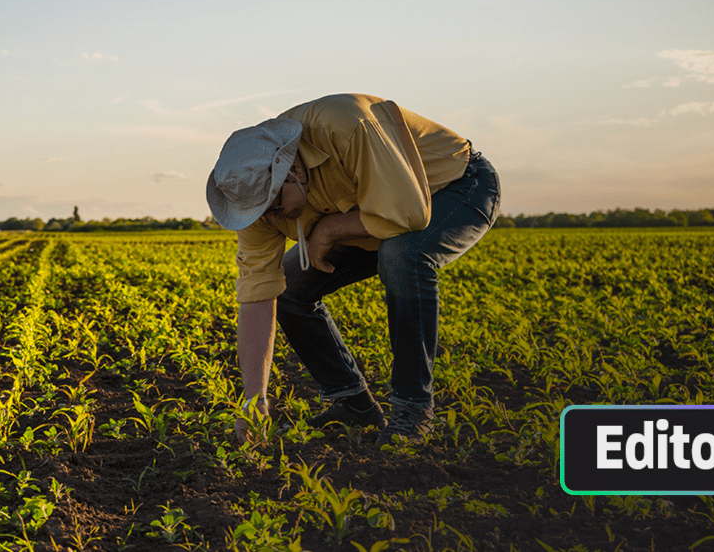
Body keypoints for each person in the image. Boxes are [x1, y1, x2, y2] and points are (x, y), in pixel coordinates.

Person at [206, 93, 500, 443]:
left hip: (453, 187)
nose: (269, 221)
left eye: (273, 209)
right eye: (258, 215)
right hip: (371, 213)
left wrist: (329, 229)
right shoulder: (253, 192)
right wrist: (254, 401)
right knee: (290, 288)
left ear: (294, 171)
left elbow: (408, 213)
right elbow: (257, 293)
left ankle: (412, 411)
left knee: (402, 254)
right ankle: (353, 404)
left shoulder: (347, 125)